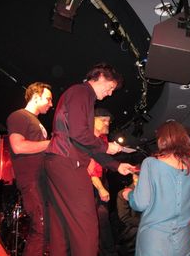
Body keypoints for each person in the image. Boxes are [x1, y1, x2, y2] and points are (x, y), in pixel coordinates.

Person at [44, 62, 134, 256]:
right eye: (110, 88)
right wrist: (106, 146)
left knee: (61, 226)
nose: (110, 94)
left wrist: (116, 166)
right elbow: (79, 135)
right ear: (100, 76)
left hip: (59, 161)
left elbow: (84, 142)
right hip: (68, 162)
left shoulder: (80, 95)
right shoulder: (82, 92)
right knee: (86, 225)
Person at [123, 120, 190, 256]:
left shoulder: (151, 164)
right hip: (183, 239)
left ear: (161, 140)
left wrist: (129, 195)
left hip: (155, 240)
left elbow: (140, 203)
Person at [6, 82, 53, 256]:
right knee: (40, 227)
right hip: (31, 180)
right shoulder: (19, 116)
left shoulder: (37, 123)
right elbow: (18, 147)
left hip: (42, 180)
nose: (51, 104)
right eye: (48, 99)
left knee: (46, 229)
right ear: (35, 97)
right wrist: (50, 143)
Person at [87, 107, 118, 256]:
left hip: (100, 181)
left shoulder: (103, 139)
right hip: (89, 184)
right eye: (103, 120)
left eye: (108, 121)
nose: (107, 123)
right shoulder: (86, 139)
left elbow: (103, 163)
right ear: (91, 121)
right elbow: (89, 168)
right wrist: (100, 188)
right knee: (101, 221)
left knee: (102, 222)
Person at [116, 173, 141, 256]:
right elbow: (124, 217)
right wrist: (144, 222)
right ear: (134, 177)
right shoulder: (123, 194)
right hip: (132, 229)